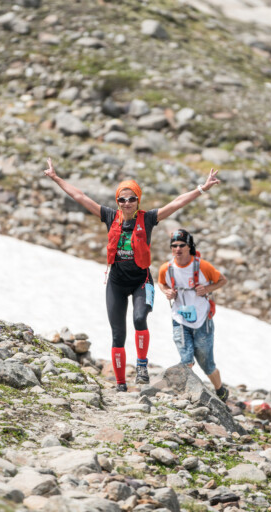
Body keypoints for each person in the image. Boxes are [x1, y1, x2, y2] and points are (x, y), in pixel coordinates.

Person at [43, 158, 220, 392]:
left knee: (139, 318)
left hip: (141, 282)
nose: (127, 203)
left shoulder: (148, 219)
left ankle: (142, 365)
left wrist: (202, 188)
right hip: (116, 283)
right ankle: (120, 384)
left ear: (138, 200)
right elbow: (80, 197)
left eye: (132, 199)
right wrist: (56, 178)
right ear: (117, 201)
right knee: (118, 334)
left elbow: (176, 203)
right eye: (122, 199)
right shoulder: (109, 216)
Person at [157, 229, 230, 401]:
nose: (178, 249)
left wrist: (207, 289)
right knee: (186, 359)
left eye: (182, 245)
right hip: (179, 318)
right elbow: (161, 282)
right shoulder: (167, 268)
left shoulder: (202, 266)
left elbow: (222, 280)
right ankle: (187, 395)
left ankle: (220, 390)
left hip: (202, 319)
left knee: (207, 364)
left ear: (189, 246)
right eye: (174, 245)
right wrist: (167, 291)